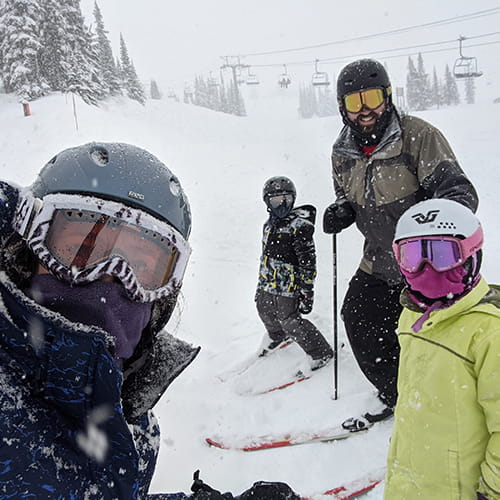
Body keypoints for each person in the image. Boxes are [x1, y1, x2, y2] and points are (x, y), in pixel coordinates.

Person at [0, 143, 300, 499]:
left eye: (140, 267)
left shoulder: (122, 403)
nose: (107, 281)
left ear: (163, 298)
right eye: (82, 248)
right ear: (25, 249)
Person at [322, 58, 478, 429]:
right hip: (378, 259)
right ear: (342, 108)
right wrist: (341, 211)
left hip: (427, 261)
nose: (365, 111)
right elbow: (345, 194)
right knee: (358, 319)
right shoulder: (341, 152)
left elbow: (459, 193)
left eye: (372, 99)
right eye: (354, 103)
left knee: (436, 336)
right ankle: (398, 394)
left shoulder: (417, 135)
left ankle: (451, 401)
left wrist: (431, 228)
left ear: (388, 96)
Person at [385, 198, 499, 500]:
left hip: (458, 489)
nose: (426, 267)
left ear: (472, 255)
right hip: (409, 480)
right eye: (412, 256)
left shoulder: (489, 333)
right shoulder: (411, 315)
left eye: (442, 254)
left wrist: (492, 491)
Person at [256, 176, 333, 370]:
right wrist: (261, 281)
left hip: (289, 285)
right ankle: (278, 336)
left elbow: (308, 262)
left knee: (289, 319)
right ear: (267, 202)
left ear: (293, 199)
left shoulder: (300, 227)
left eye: (286, 200)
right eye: (276, 200)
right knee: (263, 308)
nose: (281, 205)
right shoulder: (268, 225)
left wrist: (307, 290)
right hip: (268, 280)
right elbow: (265, 255)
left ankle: (320, 352)